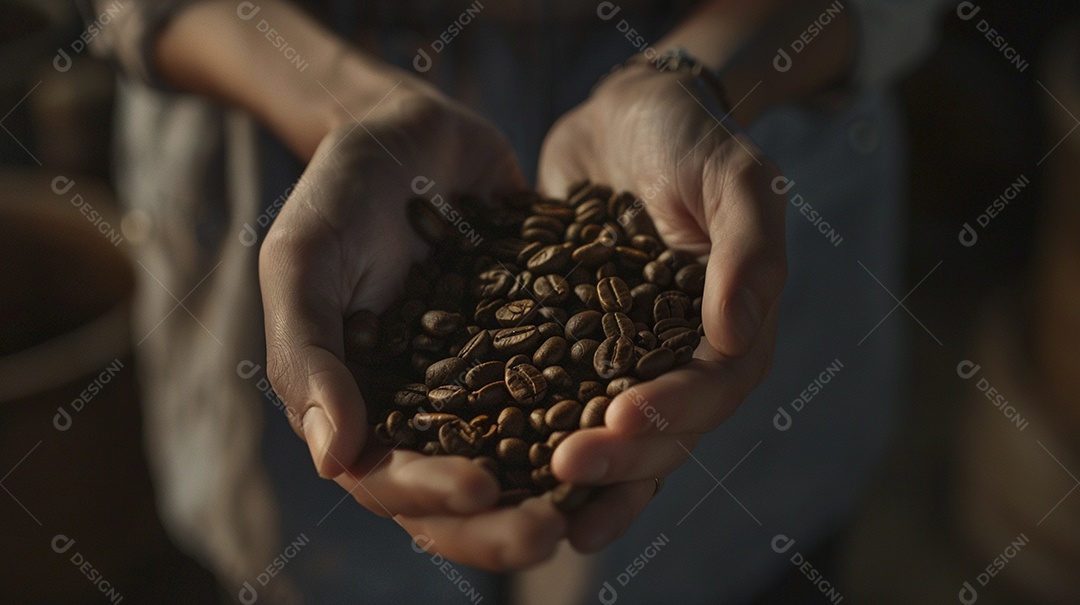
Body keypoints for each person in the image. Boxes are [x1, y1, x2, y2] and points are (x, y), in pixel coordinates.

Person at [86, 0, 947, 601]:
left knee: (733, 559)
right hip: (273, 122)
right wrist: (343, 101)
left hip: (745, 119)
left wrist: (696, 75)